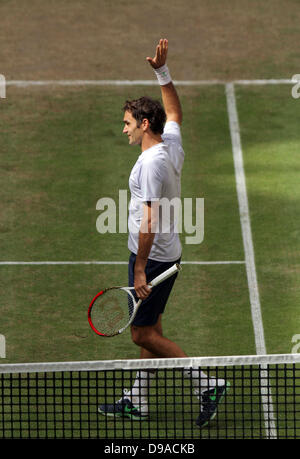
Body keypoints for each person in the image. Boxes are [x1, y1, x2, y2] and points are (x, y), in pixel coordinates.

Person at [98, 39, 229, 428]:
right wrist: (162, 72)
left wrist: (139, 271)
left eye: (127, 123)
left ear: (143, 124)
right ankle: (138, 400)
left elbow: (148, 221)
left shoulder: (149, 165)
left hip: (153, 258)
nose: (123, 129)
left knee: (141, 335)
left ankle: (205, 383)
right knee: (152, 327)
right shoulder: (170, 144)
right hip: (167, 254)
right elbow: (173, 110)